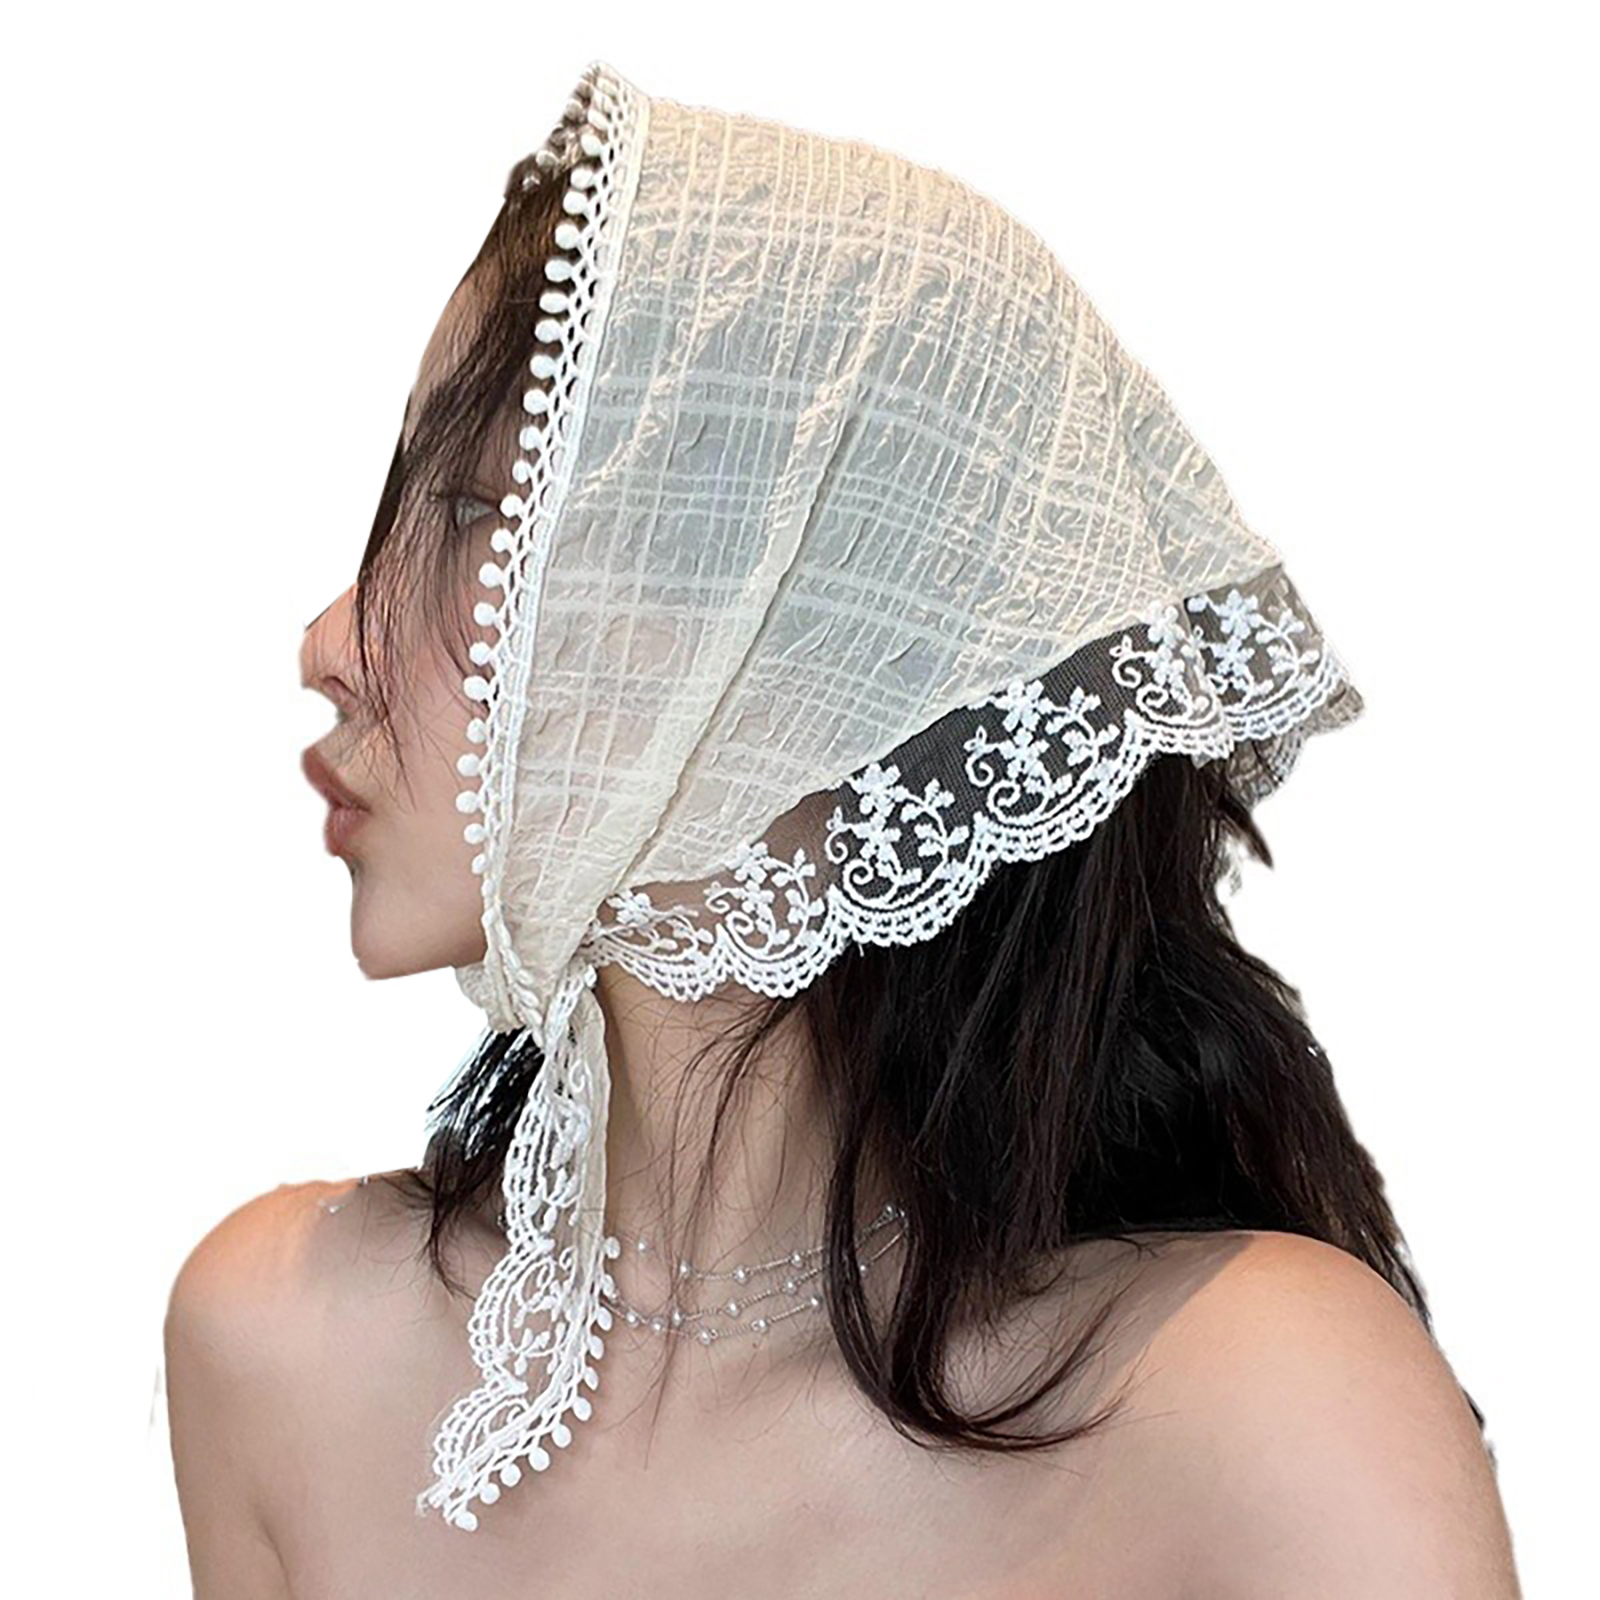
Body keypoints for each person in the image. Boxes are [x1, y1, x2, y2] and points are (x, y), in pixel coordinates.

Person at [164, 61, 1522, 1597]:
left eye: (484, 516)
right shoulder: (272, 1352)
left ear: (806, 630)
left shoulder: (1267, 1409)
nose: (330, 644)